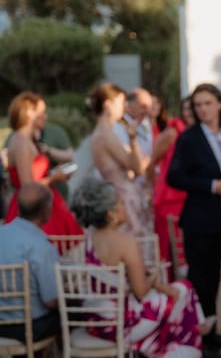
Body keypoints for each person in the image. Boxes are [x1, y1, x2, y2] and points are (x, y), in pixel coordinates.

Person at [70, 177, 209, 358]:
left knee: (178, 295)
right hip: (122, 324)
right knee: (185, 289)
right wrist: (156, 275)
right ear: (111, 214)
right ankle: (183, 347)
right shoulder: (126, 243)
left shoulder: (89, 239)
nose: (124, 206)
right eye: (120, 202)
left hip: (95, 323)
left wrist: (157, 284)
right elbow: (141, 292)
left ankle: (187, 341)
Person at [167, 83, 221, 354]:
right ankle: (198, 339)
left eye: (207, 103)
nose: (202, 109)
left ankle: (212, 334)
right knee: (199, 280)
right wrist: (209, 186)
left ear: (219, 104)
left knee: (213, 278)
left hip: (218, 220)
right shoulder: (189, 138)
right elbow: (174, 177)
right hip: (196, 221)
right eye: (198, 104)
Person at [4, 92, 83, 238]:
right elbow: (27, 187)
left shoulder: (26, 140)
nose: (45, 116)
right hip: (33, 209)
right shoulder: (21, 142)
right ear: (29, 113)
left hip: (43, 204)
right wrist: (54, 178)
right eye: (42, 112)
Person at [0, 182, 61, 342]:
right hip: (28, 327)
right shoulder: (41, 246)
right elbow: (51, 301)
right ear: (45, 211)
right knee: (73, 314)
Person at [89, 83, 149, 237]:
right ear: (108, 104)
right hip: (122, 200)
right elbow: (136, 167)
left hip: (117, 196)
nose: (125, 106)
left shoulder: (103, 133)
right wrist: (133, 139)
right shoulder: (106, 134)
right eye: (121, 102)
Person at [150, 97, 195, 279]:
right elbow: (151, 162)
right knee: (169, 250)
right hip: (170, 198)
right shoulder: (173, 131)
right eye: (186, 108)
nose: (189, 112)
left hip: (190, 196)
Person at [113, 88, 154, 233]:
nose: (148, 110)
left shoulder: (144, 124)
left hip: (143, 190)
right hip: (128, 191)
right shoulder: (119, 127)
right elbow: (129, 164)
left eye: (149, 106)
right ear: (129, 106)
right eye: (143, 106)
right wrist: (148, 162)